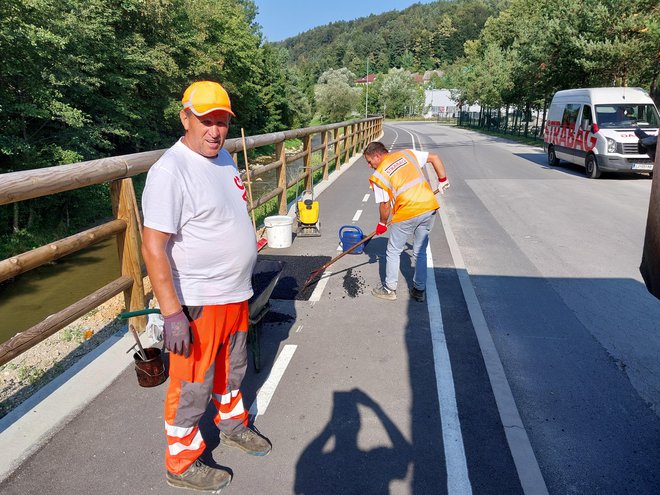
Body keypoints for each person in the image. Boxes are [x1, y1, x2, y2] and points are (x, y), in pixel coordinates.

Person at [141, 80, 271, 493]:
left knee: (231, 371)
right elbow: (153, 247)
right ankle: (180, 461)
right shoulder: (170, 171)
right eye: (206, 121)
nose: (215, 131)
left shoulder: (225, 157)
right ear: (185, 117)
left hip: (235, 294)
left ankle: (233, 425)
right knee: (192, 384)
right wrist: (171, 312)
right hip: (198, 301)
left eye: (222, 122)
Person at [364, 141, 450, 302]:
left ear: (377, 156)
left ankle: (389, 289)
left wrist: (382, 223)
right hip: (429, 207)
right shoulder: (407, 154)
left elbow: (385, 205)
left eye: (369, 161)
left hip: (407, 212)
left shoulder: (380, 175)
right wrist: (442, 179)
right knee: (420, 251)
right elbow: (434, 157)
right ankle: (419, 289)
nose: (369, 166)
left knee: (394, 250)